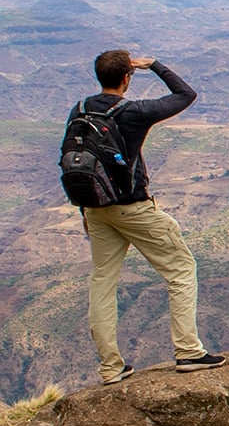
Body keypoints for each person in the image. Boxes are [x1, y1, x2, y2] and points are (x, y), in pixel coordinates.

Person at [67, 48, 218, 382]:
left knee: (102, 282)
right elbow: (185, 95)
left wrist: (85, 211)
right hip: (132, 208)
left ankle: (110, 367)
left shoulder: (79, 109)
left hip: (95, 210)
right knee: (180, 269)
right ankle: (189, 352)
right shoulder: (133, 112)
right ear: (126, 78)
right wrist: (154, 66)